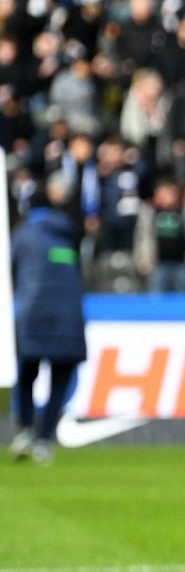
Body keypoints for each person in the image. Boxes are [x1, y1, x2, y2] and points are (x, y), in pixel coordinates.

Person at [10, 178, 87, 465]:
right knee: (59, 378)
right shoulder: (66, 233)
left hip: (32, 314)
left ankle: (26, 430)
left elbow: (11, 273)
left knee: (28, 372)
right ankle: (44, 440)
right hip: (69, 315)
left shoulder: (22, 234)